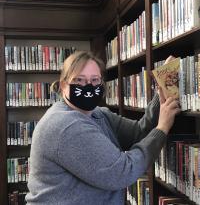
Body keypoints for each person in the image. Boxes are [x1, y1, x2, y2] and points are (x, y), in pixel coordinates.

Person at [26, 51, 180, 205]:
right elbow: (121, 173)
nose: (88, 86)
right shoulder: (66, 125)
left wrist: (164, 86)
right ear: (64, 85)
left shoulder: (97, 114)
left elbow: (138, 133)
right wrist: (162, 128)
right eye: (79, 80)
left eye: (95, 80)